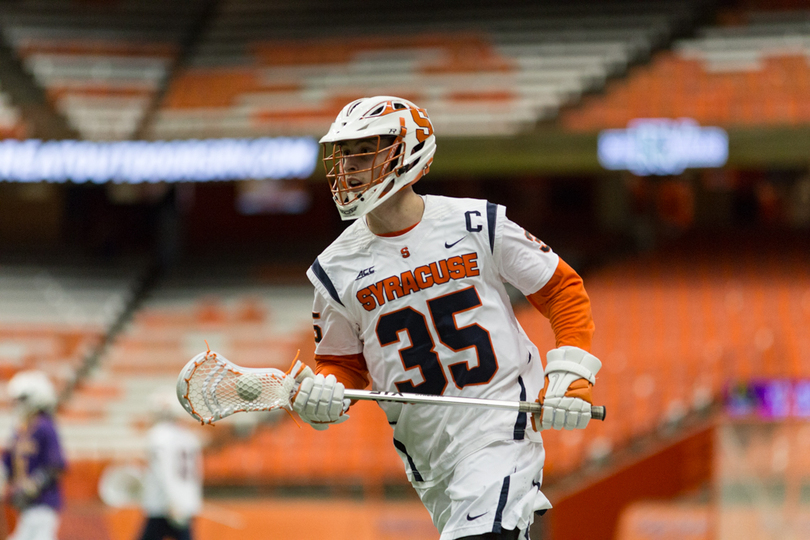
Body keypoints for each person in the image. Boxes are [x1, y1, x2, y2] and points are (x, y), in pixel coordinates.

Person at [289, 96, 601, 540]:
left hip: (499, 428)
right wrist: (325, 394)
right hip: (427, 453)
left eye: (365, 150)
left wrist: (570, 372)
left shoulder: (475, 222)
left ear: (408, 152)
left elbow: (561, 288)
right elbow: (343, 364)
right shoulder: (334, 268)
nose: (349, 165)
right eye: (345, 153)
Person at [2, 370, 66, 540]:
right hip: (25, 505)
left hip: (43, 502)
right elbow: (7, 461)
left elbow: (55, 464)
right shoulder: (21, 429)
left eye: (21, 400)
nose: (17, 405)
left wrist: (32, 486)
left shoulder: (45, 427)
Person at [137, 391, 202, 540]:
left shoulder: (158, 435)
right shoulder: (189, 436)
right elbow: (198, 472)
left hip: (163, 504)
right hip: (184, 502)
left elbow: (162, 470)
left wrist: (172, 500)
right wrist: (192, 500)